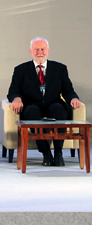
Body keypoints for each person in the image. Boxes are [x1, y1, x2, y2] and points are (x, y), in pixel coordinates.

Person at [7, 37, 83, 166]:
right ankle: (46, 153)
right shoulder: (21, 69)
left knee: (58, 109)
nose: (40, 52)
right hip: (31, 105)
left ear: (48, 50)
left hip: (53, 103)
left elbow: (68, 91)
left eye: (43, 49)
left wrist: (74, 99)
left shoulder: (60, 68)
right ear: (31, 51)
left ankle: (58, 153)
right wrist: (17, 98)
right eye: (36, 49)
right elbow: (13, 91)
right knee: (32, 111)